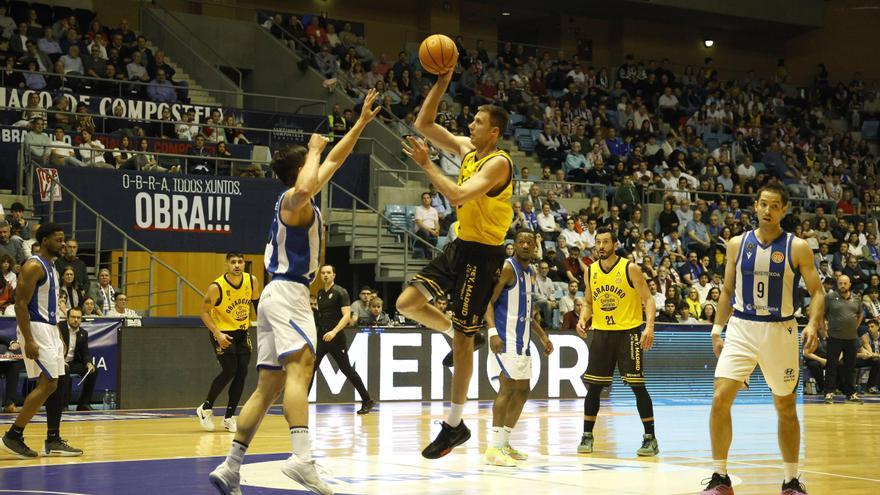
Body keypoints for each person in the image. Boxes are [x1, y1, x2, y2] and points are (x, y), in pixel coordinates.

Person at [209, 89, 380, 495]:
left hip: (275, 296)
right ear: (300, 171)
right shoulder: (292, 200)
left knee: (267, 386)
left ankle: (231, 466)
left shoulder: (298, 198)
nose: (316, 167)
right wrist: (314, 148)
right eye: (308, 165)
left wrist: (358, 124)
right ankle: (302, 458)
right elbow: (308, 183)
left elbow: (335, 160)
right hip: (287, 294)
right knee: (301, 371)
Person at [398, 68, 513, 459]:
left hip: (484, 256)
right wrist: (443, 80)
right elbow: (423, 123)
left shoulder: (498, 163)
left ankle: (454, 424)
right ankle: (455, 330)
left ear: (494, 132)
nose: (471, 124)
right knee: (406, 303)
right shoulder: (468, 150)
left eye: (478, 122)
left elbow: (460, 196)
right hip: (460, 246)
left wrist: (427, 165)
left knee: (464, 343)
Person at [700, 184, 822, 495]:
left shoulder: (798, 247)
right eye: (763, 205)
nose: (768, 211)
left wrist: (812, 323)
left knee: (785, 407)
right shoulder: (736, 244)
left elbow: (817, 292)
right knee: (719, 399)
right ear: (755, 206)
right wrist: (717, 329)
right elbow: (726, 291)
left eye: (775, 206)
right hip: (742, 327)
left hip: (780, 329)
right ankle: (720, 478)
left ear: (784, 210)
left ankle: (791, 481)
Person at [1, 223, 83, 458]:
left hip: (50, 329)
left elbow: (53, 308)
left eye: (64, 239)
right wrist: (28, 339)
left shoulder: (53, 267)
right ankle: (13, 435)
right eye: (58, 239)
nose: (63, 244)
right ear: (45, 240)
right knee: (48, 384)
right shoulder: (34, 266)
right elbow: (20, 305)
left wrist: (59, 334)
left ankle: (53, 439)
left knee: (59, 381)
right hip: (35, 329)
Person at [575, 226, 659, 457]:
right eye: (597, 242)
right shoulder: (590, 271)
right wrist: (583, 318)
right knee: (594, 387)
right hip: (601, 333)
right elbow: (589, 301)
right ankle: (587, 435)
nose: (600, 246)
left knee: (637, 386)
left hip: (628, 333)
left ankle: (650, 438)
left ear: (614, 244)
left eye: (605, 242)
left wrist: (648, 327)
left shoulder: (629, 268)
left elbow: (649, 300)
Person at [483, 230, 553, 466]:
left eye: (529, 243)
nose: (525, 245)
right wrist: (492, 332)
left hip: (523, 341)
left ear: (535, 248)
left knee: (523, 390)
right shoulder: (507, 268)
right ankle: (493, 448)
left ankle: (504, 442)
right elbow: (487, 303)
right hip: (505, 338)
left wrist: (543, 337)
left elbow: (528, 311)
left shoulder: (531, 272)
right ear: (514, 245)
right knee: (507, 388)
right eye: (520, 242)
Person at [197, 253, 262, 433]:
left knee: (242, 372)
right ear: (227, 264)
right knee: (230, 369)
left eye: (240, 262)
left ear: (244, 264)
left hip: (242, 331)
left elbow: (257, 304)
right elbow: (203, 312)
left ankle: (229, 417)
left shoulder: (251, 281)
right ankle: (205, 408)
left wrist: (266, 326)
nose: (237, 265)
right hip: (222, 332)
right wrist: (217, 334)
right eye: (233, 262)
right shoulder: (216, 287)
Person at [311, 265, 373, 415]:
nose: (325, 275)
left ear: (334, 275)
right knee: (310, 369)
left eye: (328, 273)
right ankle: (300, 403)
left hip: (336, 338)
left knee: (347, 370)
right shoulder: (319, 293)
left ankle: (367, 400)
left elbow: (346, 316)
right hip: (322, 337)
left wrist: (334, 332)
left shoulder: (341, 292)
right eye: (323, 273)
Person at [822, 275, 864, 404]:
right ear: (837, 284)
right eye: (840, 283)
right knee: (831, 366)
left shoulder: (856, 299)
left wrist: (854, 327)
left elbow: (860, 314)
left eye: (845, 283)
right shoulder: (829, 297)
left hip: (851, 339)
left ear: (849, 284)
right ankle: (829, 392)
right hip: (834, 338)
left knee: (850, 367)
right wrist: (824, 330)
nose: (842, 285)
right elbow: (822, 314)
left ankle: (850, 393)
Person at [57, 307, 98, 411]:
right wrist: (61, 361)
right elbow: (52, 347)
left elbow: (85, 353)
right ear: (67, 318)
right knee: (65, 370)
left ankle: (84, 403)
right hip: (57, 361)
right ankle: (63, 405)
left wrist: (88, 363)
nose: (76, 320)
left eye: (78, 318)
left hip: (72, 363)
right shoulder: (59, 328)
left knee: (93, 370)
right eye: (73, 317)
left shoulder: (83, 333)